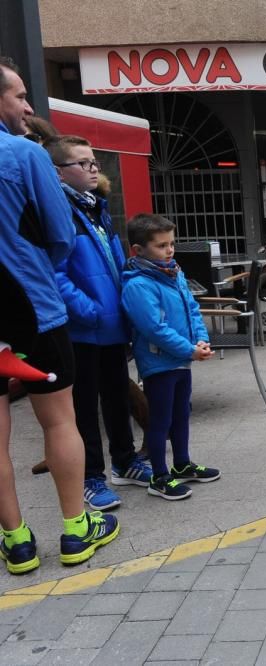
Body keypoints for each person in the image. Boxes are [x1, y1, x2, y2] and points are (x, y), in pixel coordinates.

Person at [0, 56, 119, 574]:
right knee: (60, 419)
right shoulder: (23, 154)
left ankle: (17, 542)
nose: (27, 107)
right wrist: (33, 270)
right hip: (33, 309)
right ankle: (76, 528)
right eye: (20, 95)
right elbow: (60, 232)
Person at [47, 135, 152, 510]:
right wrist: (88, 310)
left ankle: (125, 462)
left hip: (110, 325)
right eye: (84, 163)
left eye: (94, 162)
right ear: (59, 171)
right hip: (84, 328)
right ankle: (91, 476)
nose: (94, 169)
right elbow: (54, 273)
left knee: (116, 395)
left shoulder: (95, 207)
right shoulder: (58, 209)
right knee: (85, 405)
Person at [120, 214, 220, 499]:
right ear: (138, 251)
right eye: (161, 245)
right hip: (158, 362)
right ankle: (159, 476)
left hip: (180, 359)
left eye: (171, 243)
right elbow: (153, 328)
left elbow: (192, 309)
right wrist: (189, 349)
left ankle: (182, 464)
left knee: (181, 413)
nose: (170, 250)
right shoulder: (138, 285)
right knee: (160, 419)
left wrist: (201, 340)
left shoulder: (175, 273)